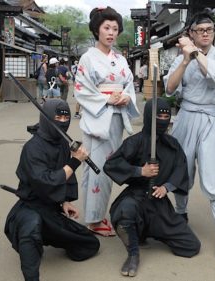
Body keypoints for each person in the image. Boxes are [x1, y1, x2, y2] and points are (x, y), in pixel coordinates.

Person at [164, 11, 215, 260]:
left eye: (210, 29)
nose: (206, 33)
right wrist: (184, 60)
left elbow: (213, 75)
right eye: (200, 29)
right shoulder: (182, 57)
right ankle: (181, 216)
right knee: (181, 169)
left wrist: (194, 52)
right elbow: (170, 89)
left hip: (210, 118)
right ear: (191, 33)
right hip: (185, 116)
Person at [4, 99, 100, 281]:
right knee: (31, 228)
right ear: (47, 117)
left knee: (89, 244)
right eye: (58, 117)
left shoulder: (63, 144)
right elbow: (46, 181)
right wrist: (75, 161)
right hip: (29, 206)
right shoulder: (32, 148)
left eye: (66, 117)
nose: (63, 121)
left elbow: (64, 179)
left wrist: (64, 201)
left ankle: (48, 234)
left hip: (51, 209)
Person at [103, 98, 201, 277]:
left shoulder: (172, 145)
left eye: (166, 116)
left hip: (158, 201)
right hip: (136, 196)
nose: (163, 120)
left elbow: (181, 168)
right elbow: (111, 165)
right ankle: (133, 253)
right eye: (159, 116)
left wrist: (167, 187)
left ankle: (151, 230)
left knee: (191, 246)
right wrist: (140, 171)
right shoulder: (135, 142)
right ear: (149, 117)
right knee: (124, 212)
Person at [74, 6, 140, 237]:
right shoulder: (87, 58)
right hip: (98, 118)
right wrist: (108, 99)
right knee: (95, 167)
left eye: (115, 28)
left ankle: (97, 214)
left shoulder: (120, 59)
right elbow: (81, 90)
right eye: (106, 28)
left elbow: (130, 85)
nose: (111, 33)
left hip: (116, 118)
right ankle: (93, 219)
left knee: (109, 165)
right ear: (97, 30)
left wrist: (126, 97)